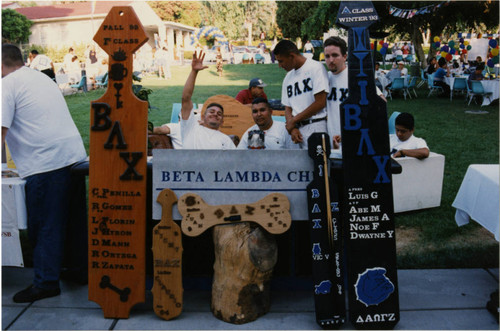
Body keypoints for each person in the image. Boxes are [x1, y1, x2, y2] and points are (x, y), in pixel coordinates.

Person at [2, 44, 88, 302]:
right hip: (73, 155)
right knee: (73, 222)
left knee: (45, 225)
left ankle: (46, 282)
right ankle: (79, 270)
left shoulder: (6, 85)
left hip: (45, 162)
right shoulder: (40, 77)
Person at [323, 36, 386, 149]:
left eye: (335, 55)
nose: (331, 60)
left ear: (345, 56)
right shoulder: (324, 79)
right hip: (332, 139)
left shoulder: (356, 77)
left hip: (356, 139)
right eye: (327, 56)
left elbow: (381, 103)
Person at [274, 39, 329, 149]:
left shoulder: (315, 67)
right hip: (296, 130)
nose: (280, 65)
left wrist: (293, 121)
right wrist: (292, 128)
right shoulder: (288, 78)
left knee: (318, 165)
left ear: (292, 56)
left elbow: (320, 102)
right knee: (297, 166)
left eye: (281, 61)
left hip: (315, 125)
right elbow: (288, 107)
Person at [180, 51, 236, 150]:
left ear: (222, 122)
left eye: (219, 114)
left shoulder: (226, 140)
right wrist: (194, 71)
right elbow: (186, 99)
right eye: (211, 112)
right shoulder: (191, 128)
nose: (215, 114)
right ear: (202, 116)